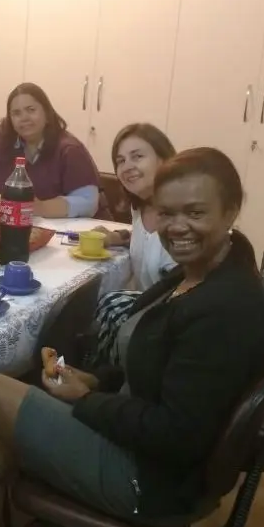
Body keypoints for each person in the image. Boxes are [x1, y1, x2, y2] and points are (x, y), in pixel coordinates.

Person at [0, 147, 264, 527]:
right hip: (141, 443)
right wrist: (94, 381)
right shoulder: (200, 273)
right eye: (167, 213)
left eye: (195, 213)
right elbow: (152, 367)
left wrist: (87, 401)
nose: (177, 226)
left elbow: (175, 436)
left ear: (231, 210)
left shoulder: (225, 308)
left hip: (152, 479)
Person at [85, 123, 178, 368]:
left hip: (170, 331)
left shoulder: (181, 216)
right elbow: (148, 242)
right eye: (121, 160)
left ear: (164, 158)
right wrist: (120, 238)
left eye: (137, 156)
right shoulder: (140, 207)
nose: (127, 167)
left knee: (107, 304)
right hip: (148, 315)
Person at [0, 83, 99, 218]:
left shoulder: (69, 149)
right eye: (16, 113)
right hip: (7, 223)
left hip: (61, 230)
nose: (24, 118)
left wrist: (41, 208)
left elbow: (88, 202)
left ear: (47, 114)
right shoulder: (1, 137)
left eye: (31, 110)